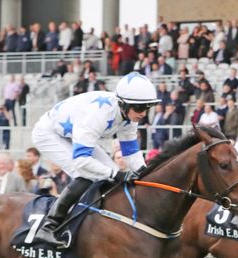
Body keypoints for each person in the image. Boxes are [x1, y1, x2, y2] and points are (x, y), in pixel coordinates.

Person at [30, 72, 160, 246]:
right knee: (87, 173)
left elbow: (130, 152)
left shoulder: (130, 114)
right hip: (50, 133)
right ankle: (49, 226)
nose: (143, 113)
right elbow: (81, 161)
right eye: (139, 108)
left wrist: (146, 176)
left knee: (110, 177)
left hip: (75, 133)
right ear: (123, 104)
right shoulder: (98, 115)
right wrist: (118, 174)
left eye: (147, 107)